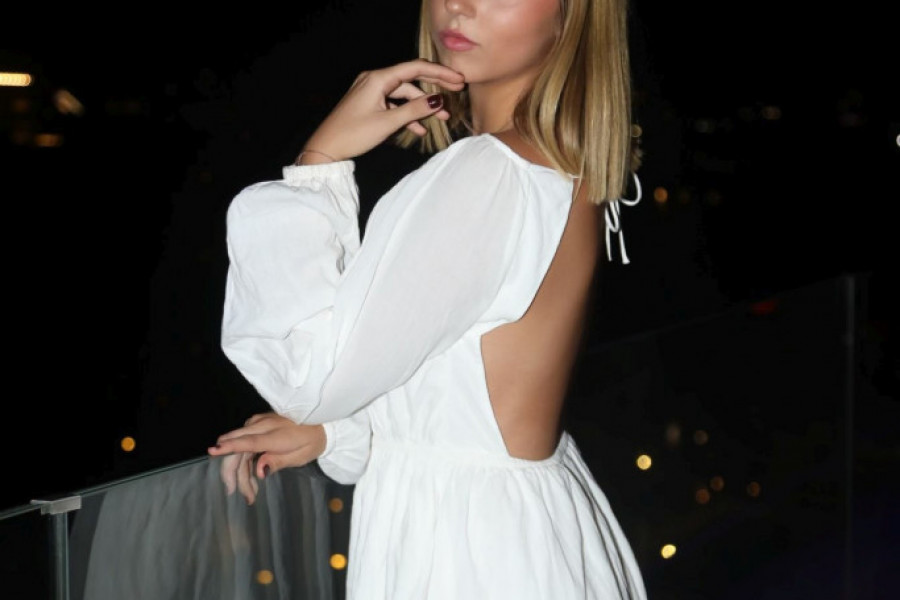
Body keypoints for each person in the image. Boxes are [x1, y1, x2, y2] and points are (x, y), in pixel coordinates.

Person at [208, 0, 647, 597]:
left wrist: (319, 163)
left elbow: (312, 380)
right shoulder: (556, 164)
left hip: (465, 550)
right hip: (507, 532)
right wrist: (337, 433)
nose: (457, 6)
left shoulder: (492, 173)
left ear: (571, 17)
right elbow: (458, 389)